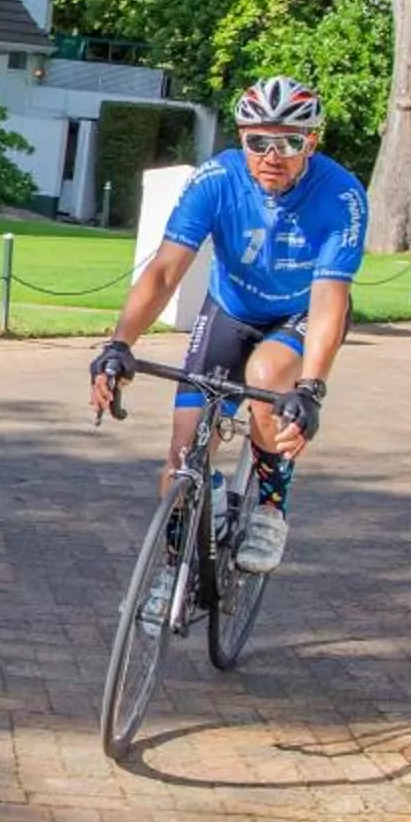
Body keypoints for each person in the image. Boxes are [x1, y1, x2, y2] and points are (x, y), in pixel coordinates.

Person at [87, 76, 366, 573]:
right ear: (242, 139)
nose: (272, 155)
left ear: (312, 143)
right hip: (231, 310)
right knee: (179, 460)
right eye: (258, 141)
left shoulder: (340, 195)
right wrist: (118, 345)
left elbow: (329, 301)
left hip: (300, 314)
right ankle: (173, 574)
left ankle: (270, 507)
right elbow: (164, 271)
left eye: (289, 142)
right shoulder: (216, 180)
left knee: (266, 377)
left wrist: (311, 389)